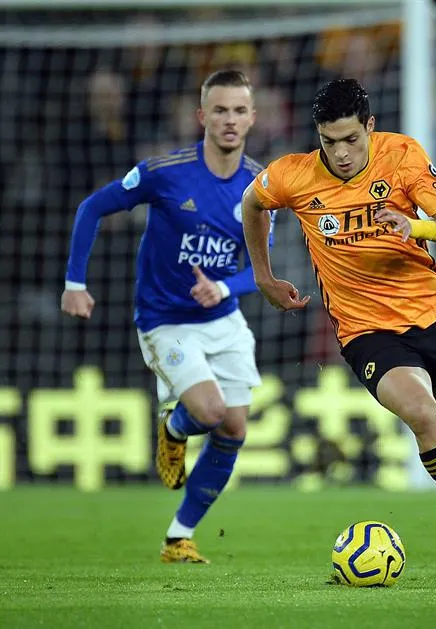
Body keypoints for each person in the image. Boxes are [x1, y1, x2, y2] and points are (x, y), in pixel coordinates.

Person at [241, 78, 436, 582]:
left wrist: (414, 225)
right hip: (365, 332)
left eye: (351, 139)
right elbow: (251, 203)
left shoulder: (402, 157)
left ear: (370, 128)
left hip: (431, 315)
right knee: (423, 414)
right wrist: (264, 278)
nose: (341, 153)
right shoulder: (292, 175)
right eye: (329, 141)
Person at [61, 70, 268, 564]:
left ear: (253, 118)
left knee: (234, 428)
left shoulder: (260, 188)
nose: (230, 120)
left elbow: (260, 269)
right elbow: (92, 207)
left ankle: (178, 537)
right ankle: (174, 430)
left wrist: (220, 286)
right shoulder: (166, 171)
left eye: (239, 110)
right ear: (202, 116)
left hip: (223, 319)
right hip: (166, 320)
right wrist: (74, 283)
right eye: (219, 110)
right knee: (210, 412)